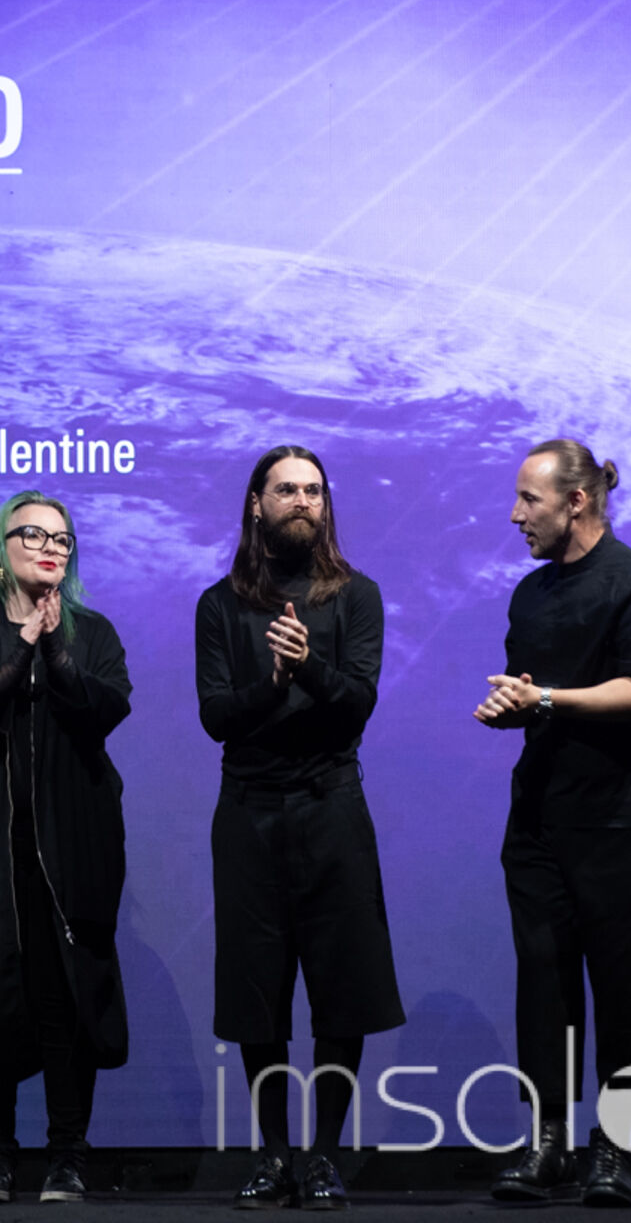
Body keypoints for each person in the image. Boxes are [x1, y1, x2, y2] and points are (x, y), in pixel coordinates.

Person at [195, 444, 406, 1210]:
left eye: (314, 490)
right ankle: (275, 1153)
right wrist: (274, 680)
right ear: (257, 504)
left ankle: (322, 1155)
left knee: (342, 985)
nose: (302, 502)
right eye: (286, 489)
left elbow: (358, 704)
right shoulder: (220, 605)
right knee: (257, 988)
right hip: (249, 810)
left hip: (331, 804)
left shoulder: (357, 595)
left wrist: (307, 667)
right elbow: (217, 716)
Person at [473, 440, 631, 1210]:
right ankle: (549, 1143)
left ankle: (617, 1149)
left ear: (577, 501)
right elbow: (535, 697)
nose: (515, 514)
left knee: (630, 991)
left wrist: (548, 700)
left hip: (623, 821)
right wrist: (513, 708)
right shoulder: (531, 595)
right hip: (540, 822)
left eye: (529, 499)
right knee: (544, 985)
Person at [0, 491, 133, 1205]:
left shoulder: (91, 632)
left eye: (62, 539)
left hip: (70, 850)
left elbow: (107, 707)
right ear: (2, 546)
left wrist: (56, 650)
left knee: (66, 999)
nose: (51, 548)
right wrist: (22, 646)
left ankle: (68, 1156)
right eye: (35, 535)